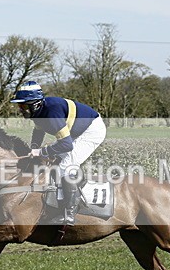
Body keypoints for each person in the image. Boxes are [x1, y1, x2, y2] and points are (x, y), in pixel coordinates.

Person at [10, 81, 106, 226]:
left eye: (23, 106)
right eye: (19, 106)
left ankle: (70, 214)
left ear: (35, 104)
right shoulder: (38, 112)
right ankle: (60, 199)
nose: (20, 109)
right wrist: (33, 149)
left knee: (66, 167)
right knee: (55, 163)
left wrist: (42, 151)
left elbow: (66, 145)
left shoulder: (51, 113)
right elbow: (38, 131)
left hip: (91, 130)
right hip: (75, 132)